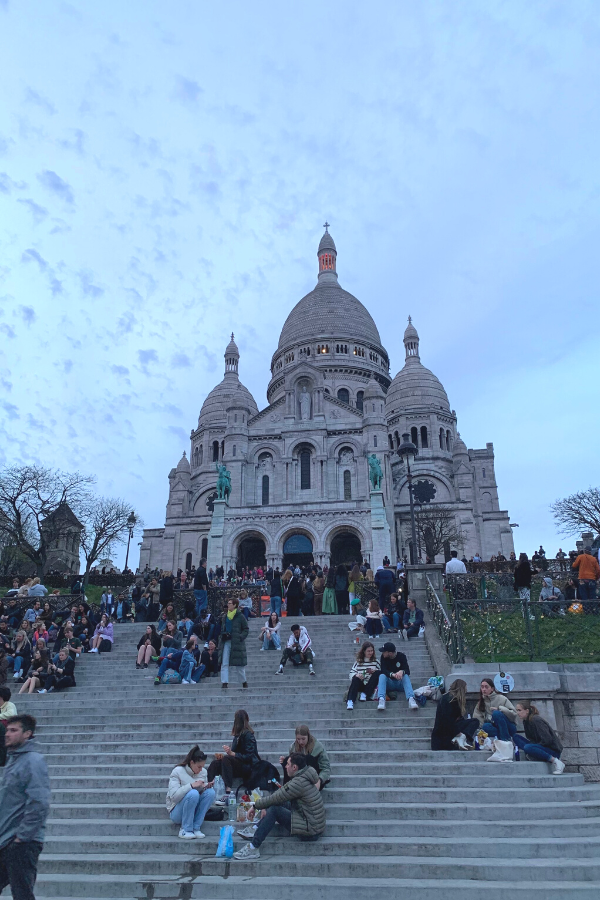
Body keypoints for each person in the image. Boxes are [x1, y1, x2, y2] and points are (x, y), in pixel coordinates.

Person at [233, 753, 325, 860]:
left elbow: (276, 797)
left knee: (274, 810)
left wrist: (255, 806)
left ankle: (253, 847)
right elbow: (279, 796)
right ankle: (255, 828)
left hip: (310, 830)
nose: (285, 766)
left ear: (294, 767)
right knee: (275, 803)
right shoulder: (306, 774)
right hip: (312, 822)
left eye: (288, 764)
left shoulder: (298, 783)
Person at [0, 714, 50, 900]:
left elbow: (39, 802)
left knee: (22, 894)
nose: (7, 734)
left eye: (14, 730)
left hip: (21, 843)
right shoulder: (14, 760)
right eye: (8, 730)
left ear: (27, 734)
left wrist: (22, 838)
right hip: (6, 840)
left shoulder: (33, 761)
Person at [166, 745, 216, 839]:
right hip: (177, 810)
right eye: (199, 767)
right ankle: (186, 829)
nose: (201, 769)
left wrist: (206, 787)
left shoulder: (203, 772)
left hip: (193, 808)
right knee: (193, 793)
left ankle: (196, 827)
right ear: (191, 762)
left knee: (210, 792)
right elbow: (174, 797)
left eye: (202, 766)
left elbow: (200, 794)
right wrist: (191, 786)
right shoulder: (177, 771)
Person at [206, 709, 259, 792]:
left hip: (248, 766)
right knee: (215, 763)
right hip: (239, 764)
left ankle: (228, 787)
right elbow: (233, 754)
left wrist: (232, 754)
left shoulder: (248, 735)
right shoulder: (237, 736)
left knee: (227, 759)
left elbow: (249, 756)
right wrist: (225, 755)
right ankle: (210, 785)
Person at [513, 700, 565, 775]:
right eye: (517, 710)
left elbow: (548, 740)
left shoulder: (536, 720)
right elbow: (532, 739)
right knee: (516, 737)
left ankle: (556, 761)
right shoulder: (526, 721)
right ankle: (533, 753)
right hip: (539, 746)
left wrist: (535, 747)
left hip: (552, 750)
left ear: (527, 711)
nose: (518, 713)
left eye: (519, 710)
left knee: (528, 747)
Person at [430, 678, 479, 750]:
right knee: (474, 722)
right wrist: (458, 733)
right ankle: (461, 737)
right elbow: (447, 721)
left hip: (445, 736)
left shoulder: (451, 699)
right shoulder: (448, 700)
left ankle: (462, 738)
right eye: (465, 689)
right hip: (442, 738)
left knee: (474, 722)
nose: (466, 691)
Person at [279, 724, 331, 789]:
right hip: (298, 778)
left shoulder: (318, 747)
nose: (301, 742)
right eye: (298, 739)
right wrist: (286, 762)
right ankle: (288, 789)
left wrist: (319, 780)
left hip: (315, 778)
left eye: (303, 739)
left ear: (308, 736)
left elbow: (326, 768)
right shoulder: (293, 747)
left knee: (308, 758)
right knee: (288, 760)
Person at [376, 641, 418, 711]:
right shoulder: (383, 658)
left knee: (406, 676)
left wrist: (402, 671)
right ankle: (381, 700)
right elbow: (383, 670)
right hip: (390, 683)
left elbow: (407, 670)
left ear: (390, 653)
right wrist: (392, 674)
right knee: (382, 676)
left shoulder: (401, 656)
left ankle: (411, 699)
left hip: (400, 683)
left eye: (384, 651)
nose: (382, 653)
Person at [218, 597, 249, 689]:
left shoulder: (240, 616)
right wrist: (223, 635)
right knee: (224, 662)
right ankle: (224, 682)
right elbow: (222, 628)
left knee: (239, 664)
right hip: (226, 641)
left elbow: (246, 629)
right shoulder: (225, 616)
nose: (228, 605)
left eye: (230, 603)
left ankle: (243, 681)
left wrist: (240, 637)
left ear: (235, 605)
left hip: (236, 642)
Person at [346, 641, 380, 709]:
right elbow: (351, 673)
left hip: (371, 684)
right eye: (368, 651)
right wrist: (357, 675)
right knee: (355, 678)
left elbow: (381, 673)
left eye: (372, 651)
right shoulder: (358, 662)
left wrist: (374, 671)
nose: (370, 653)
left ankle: (365, 694)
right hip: (361, 683)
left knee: (378, 673)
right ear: (364, 651)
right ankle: (350, 701)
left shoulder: (376, 662)